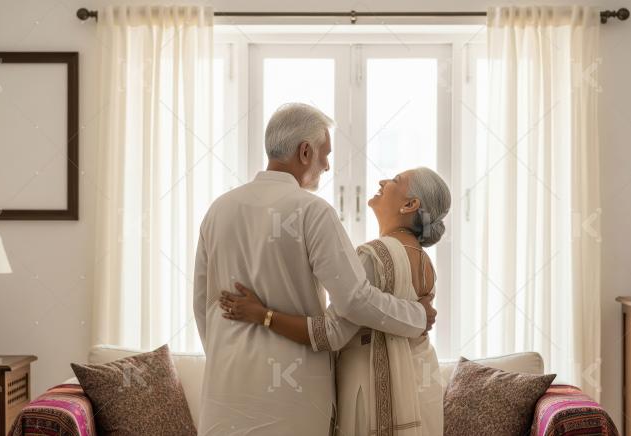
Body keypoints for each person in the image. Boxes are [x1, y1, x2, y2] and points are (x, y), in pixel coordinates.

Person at [193, 103, 437, 436]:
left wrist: (227, 354)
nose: (326, 165)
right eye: (324, 154)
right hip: (293, 402)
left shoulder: (218, 210)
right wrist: (417, 316)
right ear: (305, 152)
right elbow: (354, 301)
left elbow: (203, 306)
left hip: (222, 396)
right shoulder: (313, 212)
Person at [221, 167, 451, 436]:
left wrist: (263, 315)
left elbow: (330, 334)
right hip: (422, 392)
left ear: (410, 205)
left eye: (395, 181)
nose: (383, 181)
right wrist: (418, 316)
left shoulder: (373, 256)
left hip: (370, 395)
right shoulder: (426, 265)